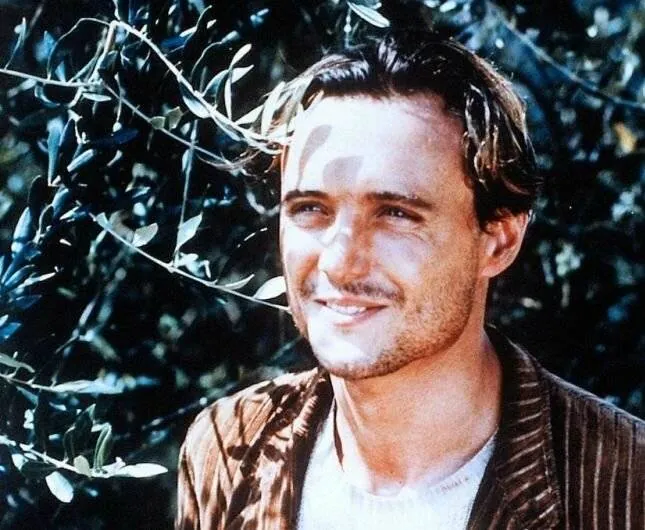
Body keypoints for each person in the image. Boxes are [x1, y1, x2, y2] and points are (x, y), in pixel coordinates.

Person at [176, 30, 645, 530]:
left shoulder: (623, 482)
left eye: (395, 214)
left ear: (499, 241)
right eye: (311, 208)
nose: (339, 262)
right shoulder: (230, 449)